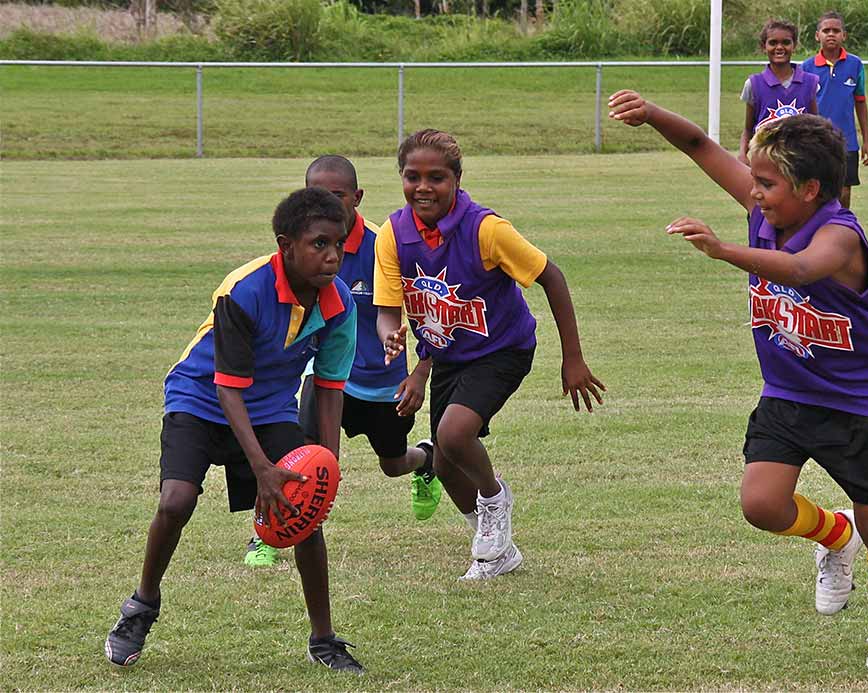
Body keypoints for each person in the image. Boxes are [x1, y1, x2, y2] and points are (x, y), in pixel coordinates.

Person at [608, 91, 868, 669]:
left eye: (766, 183)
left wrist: (724, 251)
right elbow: (701, 145)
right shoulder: (764, 208)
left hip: (866, 401)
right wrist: (652, 115)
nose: (752, 191)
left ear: (808, 190)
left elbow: (801, 270)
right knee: (761, 504)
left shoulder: (839, 235)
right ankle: (834, 536)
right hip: (790, 393)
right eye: (753, 179)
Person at [105, 188, 365, 674]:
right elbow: (228, 389)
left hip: (268, 410)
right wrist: (262, 468)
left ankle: (324, 639)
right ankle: (141, 606)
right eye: (319, 244)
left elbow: (329, 389)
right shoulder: (243, 290)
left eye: (339, 245)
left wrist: (327, 465)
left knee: (304, 508)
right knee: (176, 500)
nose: (332, 256)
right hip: (201, 398)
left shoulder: (339, 305)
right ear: (286, 245)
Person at [373, 129, 605, 580]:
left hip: (503, 349)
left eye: (436, 177)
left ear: (457, 179)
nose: (423, 187)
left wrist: (572, 358)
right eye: (412, 176)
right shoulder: (393, 235)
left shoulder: (486, 229)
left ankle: (495, 499)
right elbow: (389, 312)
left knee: (455, 433)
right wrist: (393, 339)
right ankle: (496, 550)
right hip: (449, 355)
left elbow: (551, 278)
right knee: (442, 461)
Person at [243, 155, 441, 568]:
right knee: (298, 454)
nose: (323, 207)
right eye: (314, 197)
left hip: (384, 383)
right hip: (327, 377)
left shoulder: (383, 246)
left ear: (357, 197)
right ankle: (269, 531)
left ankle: (427, 459)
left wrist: (416, 366)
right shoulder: (301, 247)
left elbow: (426, 311)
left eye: (334, 197)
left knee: (392, 463)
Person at [802, 10, 868, 209]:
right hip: (816, 140)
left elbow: (860, 101)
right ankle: (818, 233)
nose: (831, 34)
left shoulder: (855, 65)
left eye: (836, 30)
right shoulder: (807, 67)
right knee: (816, 190)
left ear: (844, 35)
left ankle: (842, 229)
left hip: (847, 141)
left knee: (844, 191)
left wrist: (866, 140)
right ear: (818, 36)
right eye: (826, 30)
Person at [738, 19, 819, 166]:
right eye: (773, 43)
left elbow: (816, 125)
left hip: (800, 161)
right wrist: (743, 154)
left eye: (786, 42)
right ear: (764, 47)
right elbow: (748, 129)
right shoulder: (753, 84)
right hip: (765, 159)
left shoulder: (810, 83)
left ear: (794, 46)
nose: (779, 47)